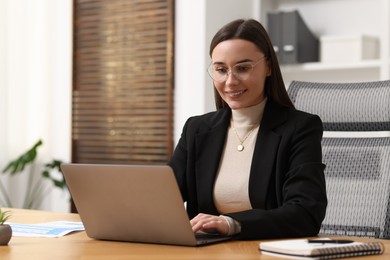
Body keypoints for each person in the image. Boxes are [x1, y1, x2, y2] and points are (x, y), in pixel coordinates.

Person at [168, 18, 327, 240]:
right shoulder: (197, 129)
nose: (230, 81)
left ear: (269, 67)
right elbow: (163, 198)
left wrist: (231, 223)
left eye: (242, 68)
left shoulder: (300, 128)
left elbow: (306, 213)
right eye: (221, 69)